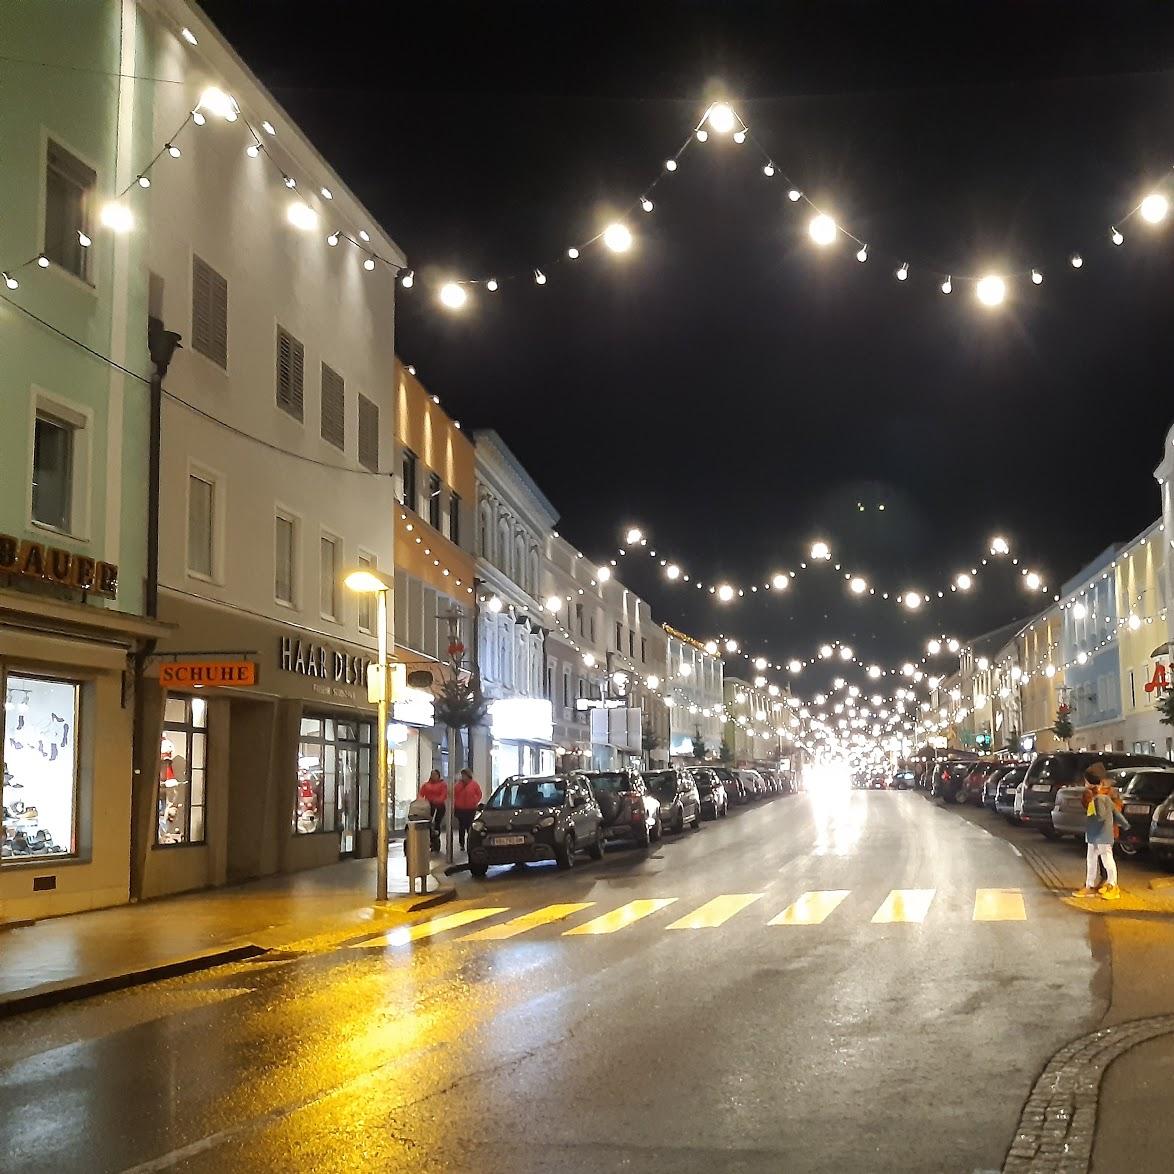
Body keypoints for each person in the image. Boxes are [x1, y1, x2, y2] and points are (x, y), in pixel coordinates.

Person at [1075, 766, 1129, 900]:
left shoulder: (1104, 796)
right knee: (1092, 859)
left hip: (1104, 832)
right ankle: (1091, 885)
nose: (1084, 783)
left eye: (1086, 780)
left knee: (1106, 859)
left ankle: (1111, 884)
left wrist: (1097, 800)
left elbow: (1108, 813)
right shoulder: (1092, 794)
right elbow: (1088, 808)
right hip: (1094, 833)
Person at [453, 768, 483, 851]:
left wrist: (475, 801)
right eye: (462, 775)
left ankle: (470, 843)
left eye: (465, 775)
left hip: (471, 808)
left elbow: (479, 794)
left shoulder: (474, 784)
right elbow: (454, 793)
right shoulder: (458, 785)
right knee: (461, 826)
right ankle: (461, 844)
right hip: (460, 808)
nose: (463, 777)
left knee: (469, 826)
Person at [419, 769, 447, 847]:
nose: (433, 776)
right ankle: (429, 838)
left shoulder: (442, 784)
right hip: (428, 806)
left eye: (435, 774)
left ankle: (435, 839)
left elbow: (444, 794)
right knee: (428, 823)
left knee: (437, 823)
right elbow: (421, 794)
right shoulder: (426, 785)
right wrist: (421, 801)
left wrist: (437, 800)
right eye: (432, 774)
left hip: (439, 806)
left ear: (438, 775)